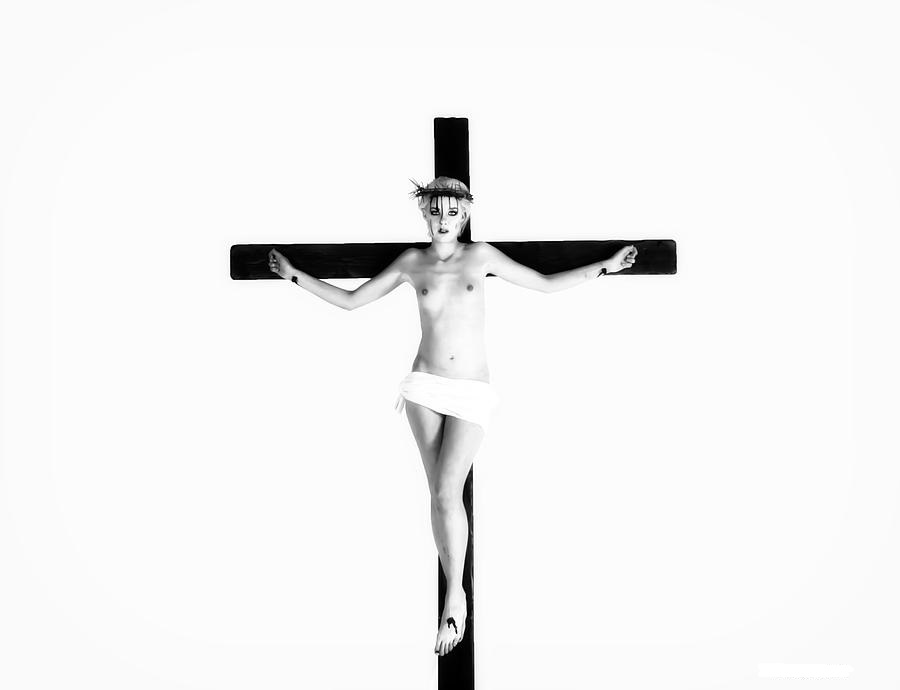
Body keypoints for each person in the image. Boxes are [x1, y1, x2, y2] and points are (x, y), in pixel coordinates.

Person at [267, 177, 637, 656]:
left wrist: (605, 267)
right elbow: (353, 301)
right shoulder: (411, 262)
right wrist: (294, 276)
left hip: (471, 391)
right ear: (424, 213)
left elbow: (545, 284)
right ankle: (454, 596)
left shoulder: (480, 256)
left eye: (452, 212)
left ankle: (455, 594)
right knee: (440, 497)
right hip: (424, 387)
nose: (443, 220)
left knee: (446, 491)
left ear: (465, 215)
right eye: (435, 211)